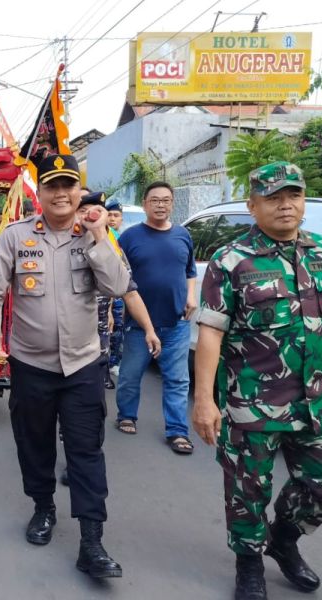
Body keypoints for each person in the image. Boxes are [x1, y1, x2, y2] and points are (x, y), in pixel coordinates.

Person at [192, 162, 322, 600]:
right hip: (252, 400)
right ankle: (249, 563)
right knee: (248, 489)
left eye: (293, 195)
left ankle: (283, 539)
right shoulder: (231, 260)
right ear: (253, 206)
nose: (285, 205)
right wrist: (204, 400)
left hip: (316, 397)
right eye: (273, 197)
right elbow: (211, 332)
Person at [0, 154, 131, 579]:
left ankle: (92, 541)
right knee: (34, 443)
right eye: (52, 186)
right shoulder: (16, 237)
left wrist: (98, 236)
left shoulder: (96, 235)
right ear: (39, 193)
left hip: (83, 365)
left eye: (68, 185)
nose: (61, 194)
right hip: (31, 364)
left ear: (80, 191)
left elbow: (118, 286)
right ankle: (43, 507)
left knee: (86, 449)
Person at [115, 181, 197, 455]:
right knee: (130, 376)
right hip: (138, 324)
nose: (160, 205)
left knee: (177, 380)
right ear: (145, 204)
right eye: (155, 200)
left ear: (172, 203)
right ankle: (127, 415)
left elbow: (190, 271)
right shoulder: (129, 237)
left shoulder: (183, 235)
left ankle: (177, 431)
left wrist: (191, 295)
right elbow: (117, 276)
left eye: (165, 200)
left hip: (177, 323)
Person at [105, 199, 126, 382]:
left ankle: (114, 362)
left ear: (121, 219)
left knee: (118, 328)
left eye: (116, 215)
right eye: (109, 215)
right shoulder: (103, 236)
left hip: (121, 293)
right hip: (106, 292)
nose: (112, 219)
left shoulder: (123, 239)